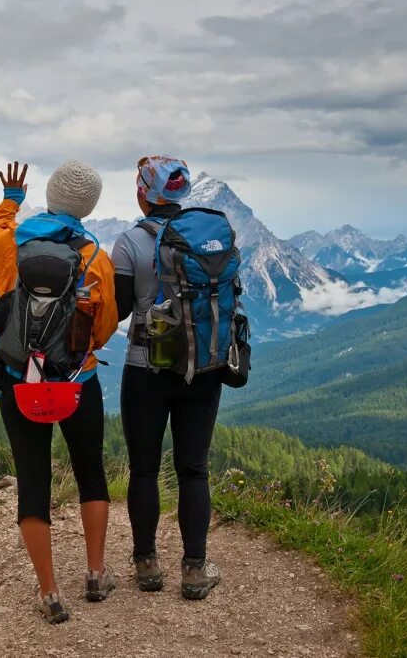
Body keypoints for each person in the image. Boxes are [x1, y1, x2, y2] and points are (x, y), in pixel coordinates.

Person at [0, 160, 119, 623]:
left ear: (50, 196)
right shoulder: (96, 257)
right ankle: (96, 574)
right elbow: (105, 327)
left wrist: (10, 202)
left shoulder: (11, 246)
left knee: (33, 486)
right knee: (90, 474)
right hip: (78, 384)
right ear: (89, 208)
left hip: (20, 386)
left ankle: (50, 592)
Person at [111, 155, 224, 600]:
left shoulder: (129, 243)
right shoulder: (211, 239)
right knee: (194, 470)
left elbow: (119, 310)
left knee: (144, 469)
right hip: (204, 367)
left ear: (144, 194)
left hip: (145, 368)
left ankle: (146, 565)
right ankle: (195, 570)